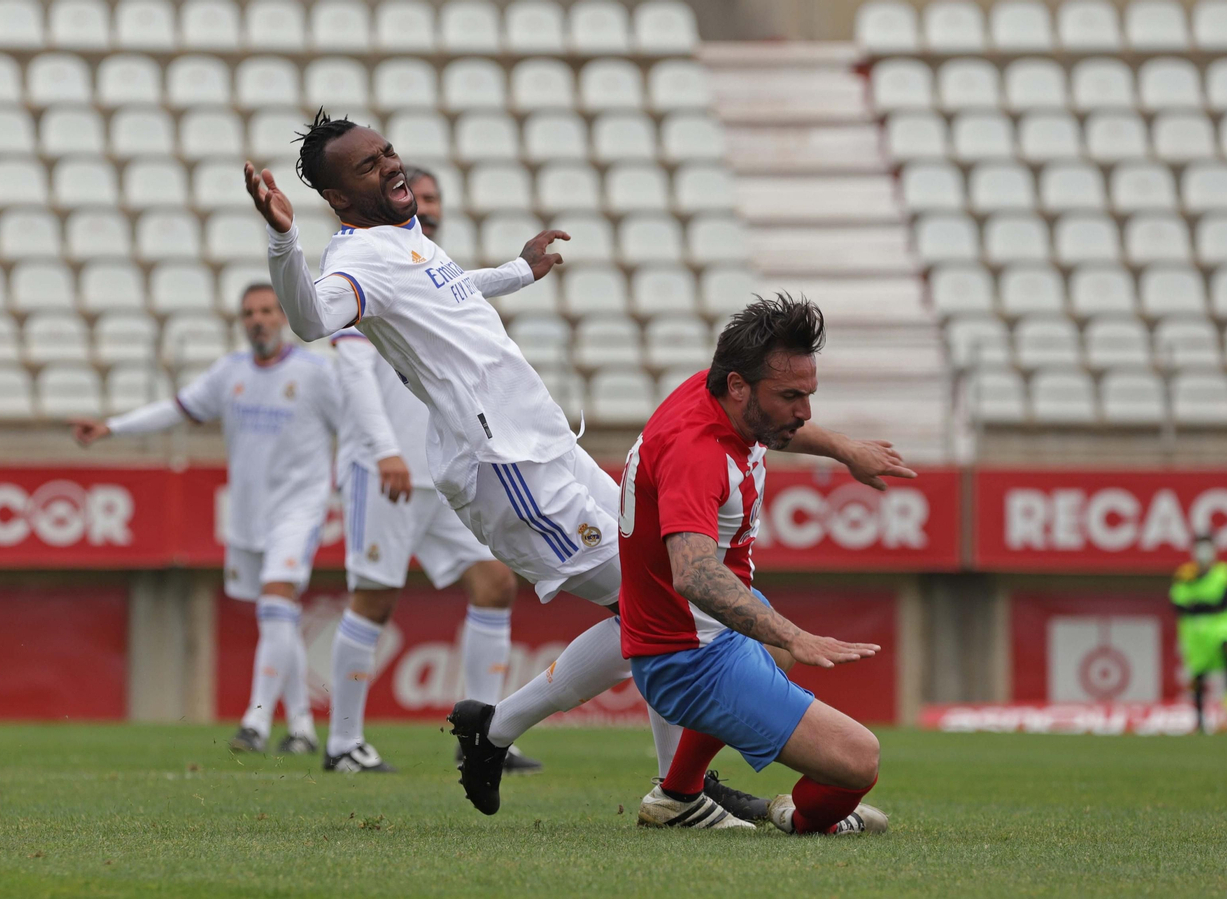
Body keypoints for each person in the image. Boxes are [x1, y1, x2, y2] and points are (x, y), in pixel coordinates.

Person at [243, 111, 912, 818]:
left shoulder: (404, 241)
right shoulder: (354, 257)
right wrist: (284, 239)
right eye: (368, 166)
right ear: (341, 198)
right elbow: (313, 319)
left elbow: (448, 292)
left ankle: (605, 767)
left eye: (388, 152)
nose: (389, 166)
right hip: (505, 467)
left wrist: (516, 271)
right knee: (658, 607)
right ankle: (597, 764)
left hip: (546, 444)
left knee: (654, 605)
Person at [620, 294, 891, 836]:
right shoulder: (697, 452)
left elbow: (781, 426)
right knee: (859, 761)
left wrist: (843, 449)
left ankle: (677, 796)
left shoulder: (716, 388)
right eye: (791, 395)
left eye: (809, 395)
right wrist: (796, 635)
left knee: (768, 643)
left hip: (695, 634)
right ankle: (804, 819)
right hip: (689, 658)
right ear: (740, 386)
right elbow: (694, 573)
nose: (805, 412)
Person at [324, 163, 541, 775]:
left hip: (445, 471)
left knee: (495, 583)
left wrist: (519, 271)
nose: (427, 205)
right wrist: (384, 450)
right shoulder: (362, 270)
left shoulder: (429, 270)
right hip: (385, 471)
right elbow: (354, 372)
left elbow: (464, 289)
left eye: (433, 197)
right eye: (416, 195)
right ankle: (343, 743)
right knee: (374, 598)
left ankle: (484, 732)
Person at [72, 284, 339, 756]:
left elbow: (358, 430)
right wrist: (112, 426)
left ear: (284, 317)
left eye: (266, 311)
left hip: (299, 510)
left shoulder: (317, 374)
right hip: (247, 514)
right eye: (248, 313)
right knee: (279, 617)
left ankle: (255, 723)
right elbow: (174, 410)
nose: (257, 320)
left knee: (276, 604)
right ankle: (300, 728)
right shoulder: (229, 373)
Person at [1171, 534, 1227, 733]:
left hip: (1221, 625)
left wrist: (1197, 603)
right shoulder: (1184, 574)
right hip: (1195, 631)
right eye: (1200, 548)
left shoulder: (1224, 572)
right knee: (1198, 673)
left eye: (1207, 548)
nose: (1203, 553)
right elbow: (1177, 604)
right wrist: (1203, 604)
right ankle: (1199, 721)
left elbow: (1223, 602)